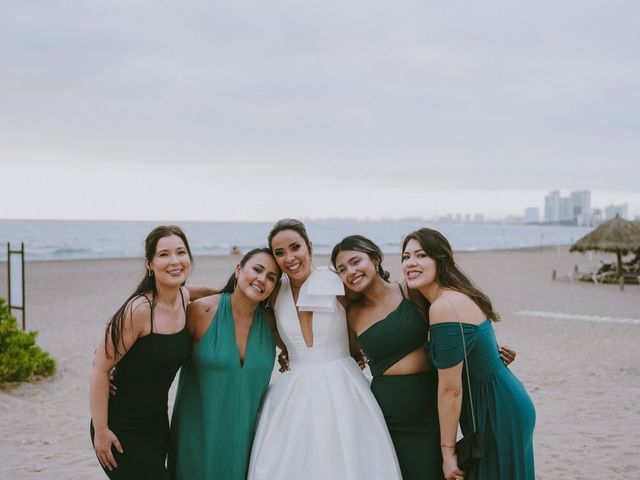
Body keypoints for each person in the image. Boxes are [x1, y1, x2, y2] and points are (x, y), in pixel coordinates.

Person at [247, 219, 402, 480]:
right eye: (280, 252)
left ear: (309, 246)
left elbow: (377, 308)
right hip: (292, 390)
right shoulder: (273, 292)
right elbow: (263, 322)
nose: (290, 257)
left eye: (295, 247)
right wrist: (285, 349)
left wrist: (358, 349)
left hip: (344, 385)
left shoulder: (338, 283)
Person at [402, 228, 536, 480]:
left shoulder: (444, 306)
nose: (411, 262)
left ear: (440, 260)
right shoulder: (450, 297)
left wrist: (447, 454)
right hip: (504, 399)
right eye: (406, 256)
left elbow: (450, 390)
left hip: (497, 410)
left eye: (421, 255)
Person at [331, 235, 444, 480]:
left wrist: (488, 348)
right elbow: (348, 357)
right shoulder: (351, 314)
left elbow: (452, 323)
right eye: (342, 269)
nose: (350, 271)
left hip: (429, 406)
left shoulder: (411, 291)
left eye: (355, 261)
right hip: (387, 413)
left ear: (376, 258)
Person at [168, 248, 282, 480]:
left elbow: (309, 345)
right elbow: (160, 351)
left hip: (247, 441)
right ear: (239, 269)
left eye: (271, 277)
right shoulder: (201, 311)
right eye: (257, 269)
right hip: (198, 436)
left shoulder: (272, 324)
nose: (262, 279)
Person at [89, 225, 192, 479]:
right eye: (164, 254)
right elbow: (100, 368)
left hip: (157, 427)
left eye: (181, 252)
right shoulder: (139, 310)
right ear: (150, 263)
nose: (175, 261)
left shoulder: (184, 297)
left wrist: (230, 290)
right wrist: (101, 431)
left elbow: (200, 292)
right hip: (121, 428)